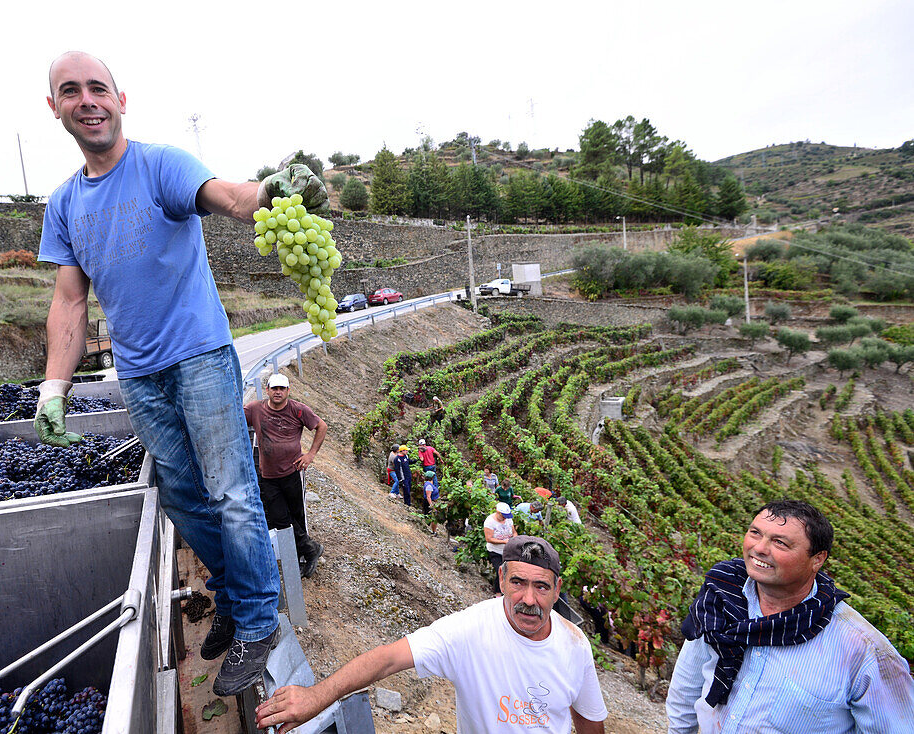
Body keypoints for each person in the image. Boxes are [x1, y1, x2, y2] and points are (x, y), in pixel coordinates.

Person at [32, 51, 328, 697]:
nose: (87, 100)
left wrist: (275, 188)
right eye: (70, 91)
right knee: (187, 500)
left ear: (120, 98)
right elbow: (70, 301)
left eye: (97, 88)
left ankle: (257, 622)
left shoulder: (160, 164)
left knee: (230, 492)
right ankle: (232, 596)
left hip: (198, 355)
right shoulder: (63, 205)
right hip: (139, 375)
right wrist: (53, 387)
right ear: (54, 107)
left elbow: (231, 197)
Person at [255, 535, 607, 733]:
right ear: (501, 581)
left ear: (558, 589)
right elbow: (388, 658)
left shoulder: (575, 646)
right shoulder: (469, 631)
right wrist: (317, 696)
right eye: (517, 583)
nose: (528, 600)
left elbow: (589, 720)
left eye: (541, 587)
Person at [666, 499, 914, 733]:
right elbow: (688, 682)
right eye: (755, 533)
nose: (760, 549)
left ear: (817, 559)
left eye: (780, 543)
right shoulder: (720, 596)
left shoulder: (866, 651)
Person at [244, 373, 327, 579]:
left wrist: (311, 454)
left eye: (282, 388)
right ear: (268, 390)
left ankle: (303, 555)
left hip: (293, 473)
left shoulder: (298, 409)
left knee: (296, 515)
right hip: (268, 475)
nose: (278, 392)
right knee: (280, 519)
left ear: (288, 390)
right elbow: (232, 418)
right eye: (274, 388)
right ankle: (310, 549)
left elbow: (321, 426)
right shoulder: (255, 408)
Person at [484, 502, 515, 595]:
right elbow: (489, 539)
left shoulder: (509, 520)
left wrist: (514, 539)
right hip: (495, 551)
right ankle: (498, 593)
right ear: (498, 512)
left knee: (510, 571)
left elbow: (514, 532)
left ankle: (507, 592)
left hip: (508, 550)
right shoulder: (490, 522)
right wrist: (504, 541)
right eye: (503, 516)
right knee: (500, 571)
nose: (505, 518)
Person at [423, 470, 440, 535]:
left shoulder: (429, 483)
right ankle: (433, 531)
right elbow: (428, 497)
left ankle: (433, 531)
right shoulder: (429, 486)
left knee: (432, 517)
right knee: (433, 517)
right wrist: (432, 506)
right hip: (429, 503)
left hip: (431, 502)